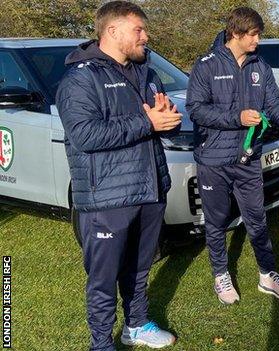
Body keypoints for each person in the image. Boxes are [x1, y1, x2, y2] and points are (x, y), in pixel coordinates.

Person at [56, 1, 180, 349]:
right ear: (112, 31)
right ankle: (101, 342)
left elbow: (158, 122)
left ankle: (136, 325)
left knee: (139, 268)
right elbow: (85, 136)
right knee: (103, 277)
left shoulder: (146, 72)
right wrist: (148, 122)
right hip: (106, 196)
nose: (146, 36)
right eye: (139, 29)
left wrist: (168, 121)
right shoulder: (80, 79)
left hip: (150, 186)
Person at [186, 7, 279, 305]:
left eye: (259, 34)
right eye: (253, 34)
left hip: (248, 158)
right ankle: (221, 274)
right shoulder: (206, 65)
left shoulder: (261, 67)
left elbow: (277, 107)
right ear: (235, 33)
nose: (258, 40)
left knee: (257, 218)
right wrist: (237, 118)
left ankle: (267, 274)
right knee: (217, 222)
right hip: (214, 160)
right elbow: (196, 109)